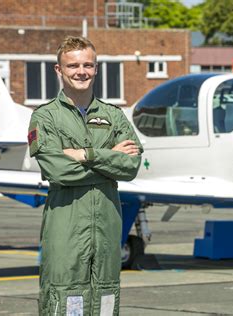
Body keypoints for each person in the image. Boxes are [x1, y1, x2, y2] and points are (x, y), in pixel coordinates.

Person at [28, 36, 142, 315]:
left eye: (88, 65)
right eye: (73, 65)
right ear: (59, 70)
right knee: (65, 296)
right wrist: (109, 157)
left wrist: (86, 154)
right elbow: (57, 170)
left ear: (96, 68)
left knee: (105, 295)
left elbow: (130, 167)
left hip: (107, 225)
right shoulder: (45, 118)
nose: (82, 71)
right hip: (66, 225)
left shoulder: (114, 116)